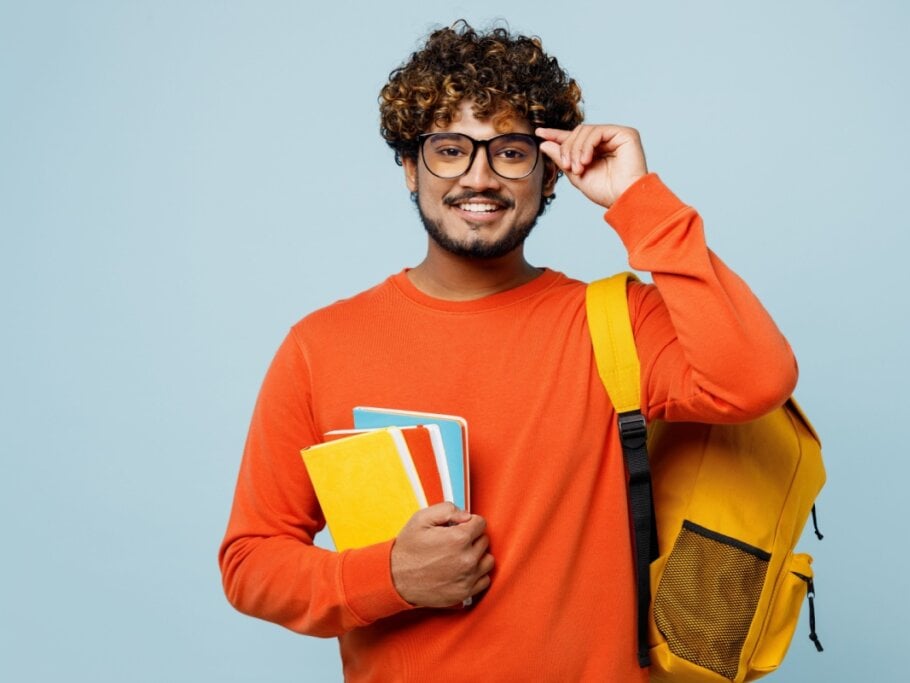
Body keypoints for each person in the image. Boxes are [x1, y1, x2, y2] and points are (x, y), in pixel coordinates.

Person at [219, 20, 797, 682]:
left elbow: (755, 378)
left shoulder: (612, 322)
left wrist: (639, 202)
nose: (480, 176)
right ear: (410, 169)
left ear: (551, 174)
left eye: (511, 153)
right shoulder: (319, 346)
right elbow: (251, 561)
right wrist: (389, 576)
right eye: (450, 149)